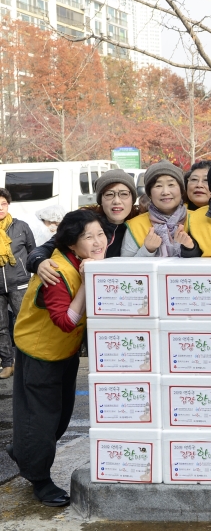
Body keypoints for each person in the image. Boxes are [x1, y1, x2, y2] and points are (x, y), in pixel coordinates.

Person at [9, 209, 107, 506]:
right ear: (71, 244)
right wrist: (89, 283)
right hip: (41, 354)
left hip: (64, 351)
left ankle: (24, 451)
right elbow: (65, 321)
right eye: (87, 237)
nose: (97, 242)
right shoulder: (57, 271)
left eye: (100, 234)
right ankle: (39, 479)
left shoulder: (82, 260)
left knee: (60, 417)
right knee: (41, 421)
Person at [28, 170, 138, 284]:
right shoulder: (86, 221)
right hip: (80, 291)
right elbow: (45, 248)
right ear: (100, 200)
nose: (116, 201)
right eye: (109, 194)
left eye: (124, 194)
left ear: (133, 199)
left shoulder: (140, 225)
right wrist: (39, 262)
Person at [0, 189, 37, 380]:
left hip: (20, 283)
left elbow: (33, 252)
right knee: (0, 326)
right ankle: (8, 363)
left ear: (8, 205)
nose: (0, 208)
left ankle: (29, 361)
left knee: (23, 322)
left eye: (3, 204)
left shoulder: (21, 227)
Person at [121, 161, 193, 257]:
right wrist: (147, 250)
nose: (165, 192)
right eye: (158, 186)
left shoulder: (196, 219)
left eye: (171, 185)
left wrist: (190, 248)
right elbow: (125, 267)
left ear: (181, 190)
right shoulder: (135, 225)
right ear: (149, 193)